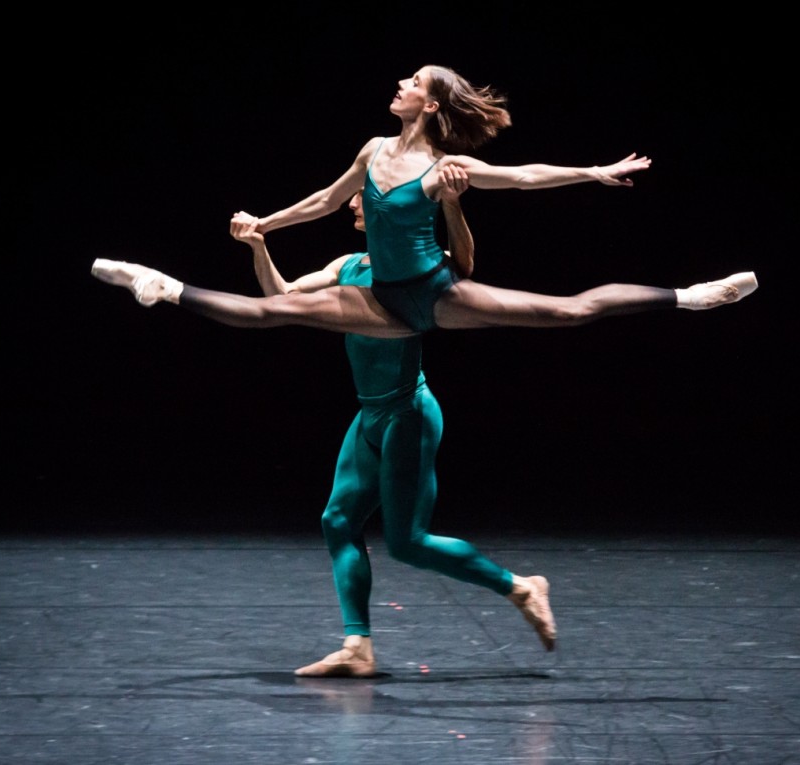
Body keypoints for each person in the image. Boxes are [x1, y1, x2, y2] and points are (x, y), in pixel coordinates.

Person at [92, 64, 757, 335]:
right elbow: (326, 201)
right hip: (381, 298)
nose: (400, 83)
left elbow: (523, 177)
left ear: (429, 101)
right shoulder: (373, 150)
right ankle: (162, 287)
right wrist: (265, 222)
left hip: (437, 293)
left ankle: (692, 295)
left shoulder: (447, 166)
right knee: (274, 313)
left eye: (411, 81)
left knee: (569, 312)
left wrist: (592, 171)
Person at [246, 168, 556, 677]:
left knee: (407, 541)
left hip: (408, 413)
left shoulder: (412, 275)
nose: (352, 204)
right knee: (337, 521)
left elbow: (465, 266)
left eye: (363, 200)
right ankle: (358, 647)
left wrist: (453, 204)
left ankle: (521, 586)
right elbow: (280, 299)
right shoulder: (347, 265)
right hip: (369, 412)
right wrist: (258, 245)